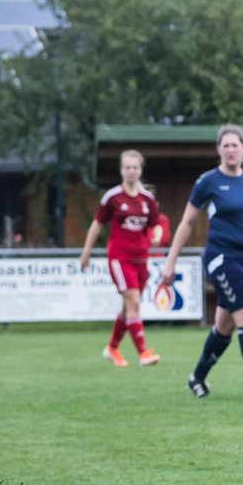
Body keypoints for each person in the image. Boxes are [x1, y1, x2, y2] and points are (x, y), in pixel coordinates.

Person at [162, 124, 243, 399]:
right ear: (218, 149)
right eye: (226, 145)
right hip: (221, 258)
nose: (231, 149)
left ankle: (196, 378)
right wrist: (170, 262)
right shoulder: (208, 181)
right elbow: (186, 223)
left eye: (236, 145)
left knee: (224, 324)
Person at [77, 150, 163, 367]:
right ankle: (143, 353)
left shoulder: (147, 200)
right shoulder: (112, 197)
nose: (131, 171)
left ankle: (112, 348)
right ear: (121, 170)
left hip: (141, 258)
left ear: (140, 170)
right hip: (119, 257)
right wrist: (86, 251)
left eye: (135, 167)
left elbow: (156, 223)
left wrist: (157, 235)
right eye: (127, 167)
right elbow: (97, 223)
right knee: (133, 301)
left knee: (128, 308)